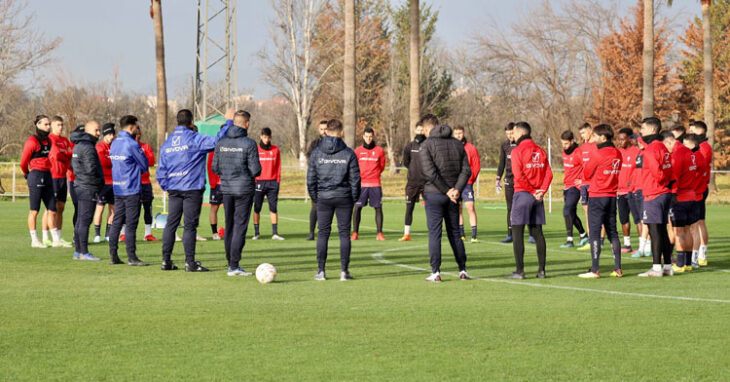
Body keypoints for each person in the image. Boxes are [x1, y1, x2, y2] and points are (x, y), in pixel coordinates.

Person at [157, 108, 231, 272]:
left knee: (171, 224)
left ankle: (166, 261)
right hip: (191, 189)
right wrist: (229, 122)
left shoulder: (168, 143)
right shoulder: (195, 138)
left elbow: (161, 171)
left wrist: (167, 187)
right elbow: (219, 141)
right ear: (192, 123)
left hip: (174, 189)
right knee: (190, 226)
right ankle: (190, 262)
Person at [419, 115, 471, 282]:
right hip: (454, 196)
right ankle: (462, 269)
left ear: (428, 129)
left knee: (435, 234)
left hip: (435, 194)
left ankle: (436, 271)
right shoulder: (457, 143)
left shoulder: (426, 145)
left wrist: (448, 190)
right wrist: (457, 189)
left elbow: (429, 173)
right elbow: (466, 170)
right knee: (455, 232)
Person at [306, 119, 360, 281]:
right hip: (344, 198)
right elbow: (355, 180)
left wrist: (315, 197)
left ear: (327, 131)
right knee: (344, 234)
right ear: (341, 132)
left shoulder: (317, 153)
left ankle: (321, 271)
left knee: (323, 233)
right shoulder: (348, 153)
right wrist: (353, 197)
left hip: (323, 197)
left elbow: (310, 179)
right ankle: (344, 271)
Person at [212, 110, 261, 276]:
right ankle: (234, 265)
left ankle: (230, 263)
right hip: (244, 190)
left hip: (226, 190)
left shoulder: (221, 142)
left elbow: (215, 168)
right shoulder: (249, 143)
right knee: (239, 227)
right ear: (246, 123)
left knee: (229, 226)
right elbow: (256, 170)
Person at [507, 122, 552, 279]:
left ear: (519, 133)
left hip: (523, 194)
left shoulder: (517, 151)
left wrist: (533, 191)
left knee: (517, 232)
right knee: (537, 232)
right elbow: (549, 174)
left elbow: (518, 176)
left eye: (513, 132)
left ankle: (520, 271)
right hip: (537, 196)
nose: (512, 135)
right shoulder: (540, 150)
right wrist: (541, 191)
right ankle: (542, 271)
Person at [578, 124, 623, 278]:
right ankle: (617, 268)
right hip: (611, 196)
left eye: (596, 136)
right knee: (613, 232)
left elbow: (587, 172)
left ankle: (595, 269)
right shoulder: (618, 153)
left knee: (595, 233)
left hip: (597, 195)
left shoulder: (598, 153)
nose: (594, 139)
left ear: (603, 137)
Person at [107, 115, 149, 266]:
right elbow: (144, 165)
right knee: (131, 224)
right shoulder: (132, 144)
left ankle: (113, 255)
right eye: (136, 127)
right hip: (131, 188)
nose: (137, 130)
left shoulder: (114, 143)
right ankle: (132, 257)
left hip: (118, 188)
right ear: (131, 127)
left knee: (117, 221)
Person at [637, 117, 674, 277]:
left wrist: (660, 183)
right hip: (664, 192)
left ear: (652, 130)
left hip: (654, 193)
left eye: (643, 128)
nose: (641, 131)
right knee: (661, 230)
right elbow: (668, 168)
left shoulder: (652, 148)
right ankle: (667, 266)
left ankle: (656, 268)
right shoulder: (663, 147)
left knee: (654, 230)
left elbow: (657, 171)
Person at [662, 131, 698, 274]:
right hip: (692, 195)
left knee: (678, 231)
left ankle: (681, 264)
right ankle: (688, 263)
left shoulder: (677, 154)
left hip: (680, 197)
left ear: (669, 142)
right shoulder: (689, 152)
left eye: (665, 147)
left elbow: (674, 177)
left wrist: (673, 194)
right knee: (687, 230)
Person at [20, 115, 60, 248]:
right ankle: (34, 240)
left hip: (47, 175)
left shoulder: (49, 141)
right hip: (36, 175)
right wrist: (28, 174)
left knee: (52, 209)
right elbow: (23, 162)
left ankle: (55, 240)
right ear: (38, 125)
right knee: (34, 210)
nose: (49, 127)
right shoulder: (32, 141)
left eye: (49, 124)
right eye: (46, 124)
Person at [70, 121, 104, 261]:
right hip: (88, 187)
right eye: (96, 130)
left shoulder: (78, 145)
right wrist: (99, 182)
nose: (99, 133)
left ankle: (78, 251)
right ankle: (83, 252)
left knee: (80, 220)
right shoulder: (88, 147)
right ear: (88, 130)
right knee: (85, 220)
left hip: (79, 185)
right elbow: (91, 169)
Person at [43, 116, 73, 247]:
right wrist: (66, 154)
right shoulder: (50, 139)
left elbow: (72, 152)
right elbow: (57, 155)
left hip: (63, 177)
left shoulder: (65, 140)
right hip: (52, 176)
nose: (61, 127)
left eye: (62, 125)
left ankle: (59, 237)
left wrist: (66, 154)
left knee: (61, 207)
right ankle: (46, 236)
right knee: (50, 208)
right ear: (52, 126)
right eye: (58, 125)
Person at [352, 127, 386, 241]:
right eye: (366, 136)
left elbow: (381, 166)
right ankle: (355, 233)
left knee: (378, 208)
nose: (368, 139)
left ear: (373, 137)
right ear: (363, 136)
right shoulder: (357, 151)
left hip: (375, 184)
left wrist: (374, 175)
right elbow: (354, 167)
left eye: (370, 136)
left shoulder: (379, 151)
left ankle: (379, 233)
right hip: (361, 185)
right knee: (357, 208)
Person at [252, 127, 284, 240]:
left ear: (270, 137)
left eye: (268, 137)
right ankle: (256, 233)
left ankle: (275, 233)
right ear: (261, 136)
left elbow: (278, 166)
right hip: (259, 182)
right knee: (257, 208)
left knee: (273, 208)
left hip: (272, 183)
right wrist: (254, 180)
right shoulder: (255, 149)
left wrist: (277, 181)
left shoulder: (275, 150)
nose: (266, 139)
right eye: (264, 137)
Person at [683, 134, 708, 270]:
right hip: (695, 194)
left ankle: (694, 257)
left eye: (685, 144)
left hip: (695, 195)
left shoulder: (696, 157)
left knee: (694, 227)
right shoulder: (698, 156)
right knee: (693, 227)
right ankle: (693, 257)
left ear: (692, 145)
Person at [689, 120, 712, 267]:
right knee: (699, 223)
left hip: (698, 189)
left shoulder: (703, 148)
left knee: (696, 224)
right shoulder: (703, 147)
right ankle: (700, 254)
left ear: (699, 132)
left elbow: (698, 168)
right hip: (698, 188)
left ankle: (698, 254)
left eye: (691, 131)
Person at [452, 126, 481, 243]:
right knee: (458, 209)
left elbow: (476, 165)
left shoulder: (471, 148)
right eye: (456, 133)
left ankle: (474, 235)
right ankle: (461, 234)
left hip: (467, 183)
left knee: (470, 207)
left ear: (463, 133)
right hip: (456, 183)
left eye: (460, 133)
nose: (458, 135)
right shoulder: (452, 147)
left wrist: (471, 179)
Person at [559, 130, 587, 248]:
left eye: (566, 143)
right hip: (566, 186)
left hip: (575, 187)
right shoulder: (564, 152)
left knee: (567, 211)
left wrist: (583, 180)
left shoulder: (579, 152)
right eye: (562, 143)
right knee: (571, 213)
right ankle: (583, 234)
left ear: (572, 141)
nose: (564, 146)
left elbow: (587, 167)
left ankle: (569, 239)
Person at [399, 122, 426, 242]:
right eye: (418, 130)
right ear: (415, 130)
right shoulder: (409, 146)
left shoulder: (428, 145)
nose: (420, 132)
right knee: (409, 208)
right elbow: (406, 162)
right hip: (412, 183)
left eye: (422, 130)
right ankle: (407, 234)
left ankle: (436, 232)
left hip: (427, 183)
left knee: (431, 208)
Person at [616, 128, 641, 253]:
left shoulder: (637, 152)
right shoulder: (618, 152)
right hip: (620, 192)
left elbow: (640, 171)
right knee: (623, 219)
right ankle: (627, 244)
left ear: (629, 139)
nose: (620, 142)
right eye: (619, 139)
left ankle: (643, 246)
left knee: (638, 219)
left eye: (623, 139)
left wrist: (634, 182)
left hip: (633, 191)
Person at [576, 123, 599, 251]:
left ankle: (599, 239)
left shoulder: (596, 146)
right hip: (584, 185)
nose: (583, 136)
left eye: (584, 133)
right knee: (587, 213)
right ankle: (591, 240)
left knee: (596, 213)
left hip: (594, 185)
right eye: (581, 134)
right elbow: (582, 166)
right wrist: (581, 179)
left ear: (590, 131)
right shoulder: (583, 147)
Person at [305, 120, 329, 240]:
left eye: (326, 129)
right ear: (318, 130)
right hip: (317, 180)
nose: (324, 131)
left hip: (330, 180)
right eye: (322, 129)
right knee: (315, 206)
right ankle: (311, 232)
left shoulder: (335, 143)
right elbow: (309, 159)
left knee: (328, 207)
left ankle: (323, 232)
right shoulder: (314, 144)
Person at [93, 123, 116, 243]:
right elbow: (103, 163)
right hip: (103, 183)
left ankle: (108, 234)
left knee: (113, 209)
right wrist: (112, 161)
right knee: (100, 208)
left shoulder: (115, 147)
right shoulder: (100, 147)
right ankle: (97, 234)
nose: (112, 136)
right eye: (109, 134)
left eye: (113, 134)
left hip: (114, 183)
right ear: (104, 135)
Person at [630, 136, 652, 259]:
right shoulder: (639, 154)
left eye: (640, 141)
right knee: (641, 220)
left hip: (645, 190)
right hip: (637, 190)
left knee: (645, 220)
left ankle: (643, 248)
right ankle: (646, 248)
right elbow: (636, 172)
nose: (638, 143)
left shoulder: (648, 153)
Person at [496, 123, 517, 243]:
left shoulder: (520, 144)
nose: (510, 136)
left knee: (524, 207)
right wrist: (498, 178)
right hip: (509, 180)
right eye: (508, 134)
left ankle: (531, 233)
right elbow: (501, 163)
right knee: (510, 208)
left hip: (520, 181)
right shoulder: (504, 145)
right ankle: (510, 234)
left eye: (511, 133)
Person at [137, 130, 159, 241]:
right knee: (131, 210)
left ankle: (148, 234)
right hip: (133, 183)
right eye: (135, 134)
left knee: (148, 209)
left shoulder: (146, 146)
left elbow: (151, 161)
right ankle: (123, 234)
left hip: (145, 182)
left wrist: (140, 156)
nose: (137, 136)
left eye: (139, 133)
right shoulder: (127, 146)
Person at [207, 145, 224, 240]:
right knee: (214, 208)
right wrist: (212, 183)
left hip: (228, 184)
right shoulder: (213, 152)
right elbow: (209, 166)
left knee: (230, 209)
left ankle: (231, 232)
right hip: (216, 185)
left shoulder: (232, 150)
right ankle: (214, 233)